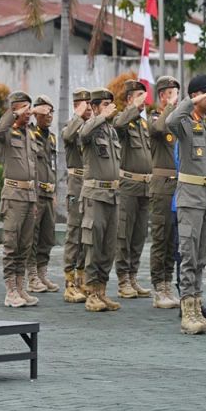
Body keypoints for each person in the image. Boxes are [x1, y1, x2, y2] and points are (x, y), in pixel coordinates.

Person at [166, 74, 206, 335]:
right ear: (197, 95)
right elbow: (170, 120)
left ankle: (197, 308)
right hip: (189, 199)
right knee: (188, 256)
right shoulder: (185, 123)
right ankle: (187, 312)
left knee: (201, 257)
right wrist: (190, 100)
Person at [0, 91, 41, 308]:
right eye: (25, 109)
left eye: (29, 108)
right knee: (12, 244)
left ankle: (21, 287)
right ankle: (10, 290)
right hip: (13, 196)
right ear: (15, 109)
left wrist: (36, 199)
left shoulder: (29, 134)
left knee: (25, 245)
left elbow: (34, 168)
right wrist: (14, 113)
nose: (29, 113)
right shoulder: (7, 133)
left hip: (30, 196)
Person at [79, 88, 122, 312]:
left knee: (109, 246)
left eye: (110, 104)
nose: (109, 107)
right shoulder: (91, 128)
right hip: (95, 195)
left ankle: (102, 291)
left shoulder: (111, 131)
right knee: (93, 245)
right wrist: (100, 117)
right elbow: (82, 134)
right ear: (94, 107)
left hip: (113, 195)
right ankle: (91, 293)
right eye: (104, 104)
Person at [113, 80, 153, 299]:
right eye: (138, 95)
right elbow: (117, 125)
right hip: (128, 185)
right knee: (124, 235)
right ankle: (122, 280)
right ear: (129, 99)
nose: (143, 100)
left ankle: (133, 276)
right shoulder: (124, 121)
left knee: (139, 235)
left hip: (145, 186)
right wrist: (133, 109)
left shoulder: (144, 124)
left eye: (144, 96)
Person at [147, 76, 181, 309]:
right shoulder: (156, 118)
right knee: (161, 237)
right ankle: (159, 287)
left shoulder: (179, 122)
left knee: (173, 240)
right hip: (162, 187)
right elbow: (158, 128)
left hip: (179, 185)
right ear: (162, 96)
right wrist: (170, 106)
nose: (176, 98)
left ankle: (168, 282)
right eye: (172, 94)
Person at [62, 88, 92, 303]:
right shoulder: (70, 126)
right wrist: (78, 116)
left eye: (90, 105)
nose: (89, 108)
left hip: (90, 184)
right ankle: (69, 282)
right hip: (76, 184)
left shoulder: (92, 128)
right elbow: (68, 135)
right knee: (74, 235)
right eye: (84, 105)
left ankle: (82, 279)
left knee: (87, 234)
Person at [28, 94, 60, 293]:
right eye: (45, 111)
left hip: (49, 193)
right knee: (33, 235)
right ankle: (31, 276)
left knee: (47, 237)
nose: (49, 115)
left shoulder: (52, 137)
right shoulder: (28, 133)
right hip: (35, 193)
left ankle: (42, 273)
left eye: (51, 111)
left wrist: (54, 190)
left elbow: (52, 166)